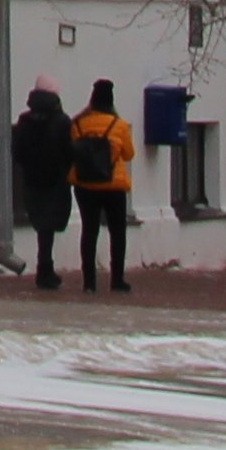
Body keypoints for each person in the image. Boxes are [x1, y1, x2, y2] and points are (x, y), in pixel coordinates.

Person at [69, 79, 140, 292]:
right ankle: (117, 279)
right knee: (117, 232)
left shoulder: (78, 124)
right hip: (113, 186)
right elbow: (129, 154)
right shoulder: (119, 126)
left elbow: (72, 151)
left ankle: (89, 282)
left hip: (85, 184)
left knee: (89, 231)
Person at [10, 82, 75, 290]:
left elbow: (17, 151)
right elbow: (70, 152)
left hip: (32, 181)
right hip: (55, 182)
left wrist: (28, 167)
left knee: (42, 227)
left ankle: (45, 268)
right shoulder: (62, 121)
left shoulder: (24, 120)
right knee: (48, 227)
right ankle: (44, 270)